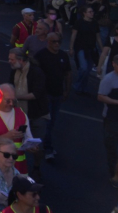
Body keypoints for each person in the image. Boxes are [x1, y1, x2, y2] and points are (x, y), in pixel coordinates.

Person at [7, 48, 48, 175]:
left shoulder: (36, 72)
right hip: (20, 115)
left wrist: (16, 97)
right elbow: (9, 87)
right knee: (17, 143)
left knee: (36, 145)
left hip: (36, 115)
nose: (9, 62)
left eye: (12, 59)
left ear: (21, 60)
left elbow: (36, 94)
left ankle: (36, 167)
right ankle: (17, 167)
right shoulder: (14, 72)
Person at [33, 32, 69, 161]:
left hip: (58, 94)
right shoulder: (41, 55)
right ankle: (47, 148)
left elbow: (67, 73)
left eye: (59, 41)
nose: (57, 44)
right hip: (45, 95)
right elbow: (34, 73)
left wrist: (66, 90)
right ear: (48, 42)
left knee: (52, 122)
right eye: (54, 41)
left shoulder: (63, 55)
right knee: (47, 122)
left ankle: (43, 144)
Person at [99, 54, 118, 182]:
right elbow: (101, 97)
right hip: (113, 120)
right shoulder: (108, 79)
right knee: (112, 149)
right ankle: (115, 176)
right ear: (113, 64)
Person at [71, 4, 101, 96]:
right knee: (83, 67)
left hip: (91, 48)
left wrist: (102, 48)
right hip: (80, 47)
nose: (92, 13)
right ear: (84, 13)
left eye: (92, 11)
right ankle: (77, 85)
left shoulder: (95, 23)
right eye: (90, 12)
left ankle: (83, 88)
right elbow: (73, 35)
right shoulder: (79, 22)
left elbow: (98, 37)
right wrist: (71, 48)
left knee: (87, 70)